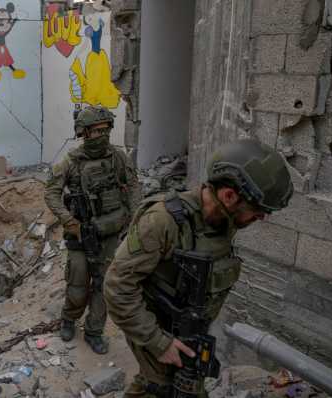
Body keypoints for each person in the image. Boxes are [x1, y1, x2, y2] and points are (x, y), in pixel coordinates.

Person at [104, 139, 294, 397]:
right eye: (257, 212)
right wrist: (160, 343)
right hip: (155, 329)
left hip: (191, 331)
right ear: (229, 196)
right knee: (161, 386)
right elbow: (117, 287)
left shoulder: (222, 222)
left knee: (174, 384)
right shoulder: (162, 222)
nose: (261, 218)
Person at [44, 105, 141, 354]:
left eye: (105, 130)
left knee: (103, 285)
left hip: (109, 233)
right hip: (80, 233)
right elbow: (51, 193)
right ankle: (69, 319)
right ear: (83, 133)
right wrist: (69, 221)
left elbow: (133, 189)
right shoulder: (71, 161)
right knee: (77, 283)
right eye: (95, 131)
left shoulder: (118, 158)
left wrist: (132, 221)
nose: (101, 136)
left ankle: (95, 331)